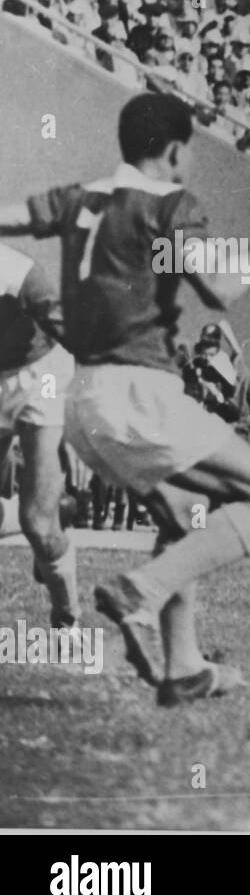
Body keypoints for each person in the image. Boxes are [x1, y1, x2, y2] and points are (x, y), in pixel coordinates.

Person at [0, 92, 250, 706]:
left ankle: (183, 666)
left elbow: (11, 216)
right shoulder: (169, 208)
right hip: (139, 391)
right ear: (178, 150)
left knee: (185, 519)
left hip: (81, 401)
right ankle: (141, 590)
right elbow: (222, 291)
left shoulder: (83, 200)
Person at [0, 241, 79, 628]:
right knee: (34, 516)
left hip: (41, 373)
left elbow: (63, 320)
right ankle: (57, 511)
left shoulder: (14, 269)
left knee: (38, 523)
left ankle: (67, 616)